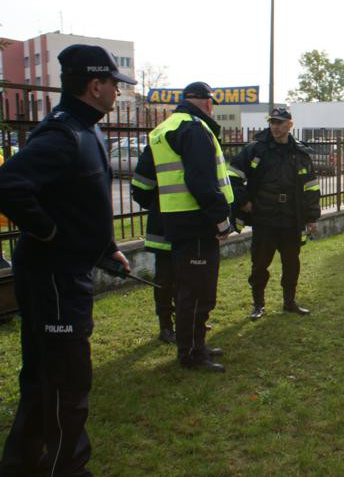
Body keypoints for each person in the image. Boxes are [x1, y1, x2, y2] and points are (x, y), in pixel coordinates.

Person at [0, 44, 135, 476]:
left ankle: (22, 462)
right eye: (115, 84)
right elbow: (10, 186)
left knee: (44, 377)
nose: (119, 91)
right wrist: (52, 235)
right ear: (95, 86)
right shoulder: (62, 133)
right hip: (53, 278)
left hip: (66, 272)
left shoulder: (87, 130)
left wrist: (103, 246)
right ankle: (67, 468)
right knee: (66, 380)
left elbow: (79, 202)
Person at [136, 81, 233, 372]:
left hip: (179, 221)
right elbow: (201, 181)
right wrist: (221, 220)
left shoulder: (164, 129)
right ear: (206, 102)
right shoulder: (194, 128)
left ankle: (196, 345)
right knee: (198, 292)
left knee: (190, 289)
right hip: (198, 223)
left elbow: (143, 187)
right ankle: (191, 353)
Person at [228, 107, 320, 321]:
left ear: (290, 125)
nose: (275, 127)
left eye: (280, 123)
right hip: (264, 218)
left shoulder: (300, 152)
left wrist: (311, 217)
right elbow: (232, 177)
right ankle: (258, 305)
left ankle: (289, 302)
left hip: (291, 218)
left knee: (292, 263)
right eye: (272, 122)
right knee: (259, 264)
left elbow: (311, 187)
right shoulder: (255, 150)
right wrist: (244, 203)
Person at [131, 155, 176, 344]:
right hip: (165, 225)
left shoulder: (199, 134)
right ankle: (165, 325)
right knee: (165, 280)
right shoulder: (158, 142)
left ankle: (186, 320)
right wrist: (158, 205)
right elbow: (141, 188)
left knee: (190, 277)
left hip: (191, 226)